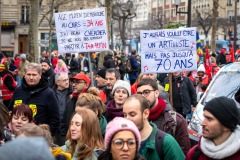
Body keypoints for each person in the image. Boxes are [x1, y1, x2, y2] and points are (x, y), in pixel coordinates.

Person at [137, 78, 191, 155]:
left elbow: (182, 153)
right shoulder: (135, 119)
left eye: (146, 92)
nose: (142, 96)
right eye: (139, 94)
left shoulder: (176, 121)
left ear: (156, 93)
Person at [123, 94, 185, 160]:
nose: (127, 119)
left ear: (146, 113)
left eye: (132, 114)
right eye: (125, 115)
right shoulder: (122, 141)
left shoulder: (166, 142)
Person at [9, 63, 60, 136]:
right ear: (24, 75)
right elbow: (10, 111)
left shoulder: (48, 93)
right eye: (29, 74)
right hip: (17, 137)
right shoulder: (18, 91)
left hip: (38, 138)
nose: (31, 77)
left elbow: (55, 119)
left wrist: (47, 137)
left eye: (34, 75)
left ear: (40, 75)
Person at [53, 72, 72, 146]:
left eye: (67, 79)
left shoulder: (72, 93)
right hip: (55, 131)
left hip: (68, 130)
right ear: (57, 82)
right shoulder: (51, 93)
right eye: (64, 80)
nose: (67, 82)